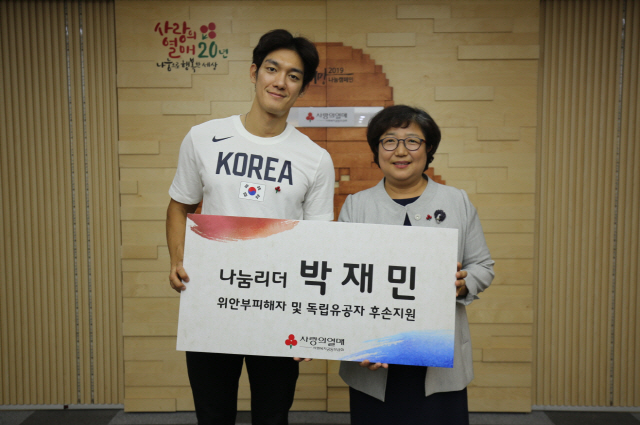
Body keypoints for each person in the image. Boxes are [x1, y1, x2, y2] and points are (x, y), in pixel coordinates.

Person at [166, 29, 334, 425]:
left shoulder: (315, 159)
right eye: (272, 69)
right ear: (254, 72)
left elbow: (319, 243)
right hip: (212, 299)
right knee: (213, 414)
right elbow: (179, 206)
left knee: (272, 415)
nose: (280, 81)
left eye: (294, 76)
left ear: (302, 88)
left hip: (279, 306)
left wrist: (310, 319)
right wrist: (178, 260)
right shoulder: (204, 138)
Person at [338, 105, 494, 425]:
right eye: (389, 141)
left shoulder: (457, 201)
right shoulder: (357, 205)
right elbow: (342, 281)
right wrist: (357, 341)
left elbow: (482, 265)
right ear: (377, 150)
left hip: (438, 356)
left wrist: (463, 283)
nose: (400, 151)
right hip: (375, 354)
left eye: (412, 141)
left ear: (428, 148)